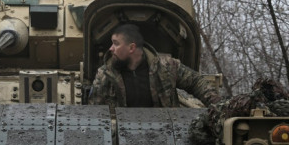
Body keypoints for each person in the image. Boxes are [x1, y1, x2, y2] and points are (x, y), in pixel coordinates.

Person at [89, 24, 220, 108]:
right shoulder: (105, 75)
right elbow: (95, 112)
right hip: (121, 138)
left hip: (165, 134)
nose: (111, 49)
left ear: (131, 48)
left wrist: (218, 106)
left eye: (116, 44)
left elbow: (195, 81)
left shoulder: (166, 67)